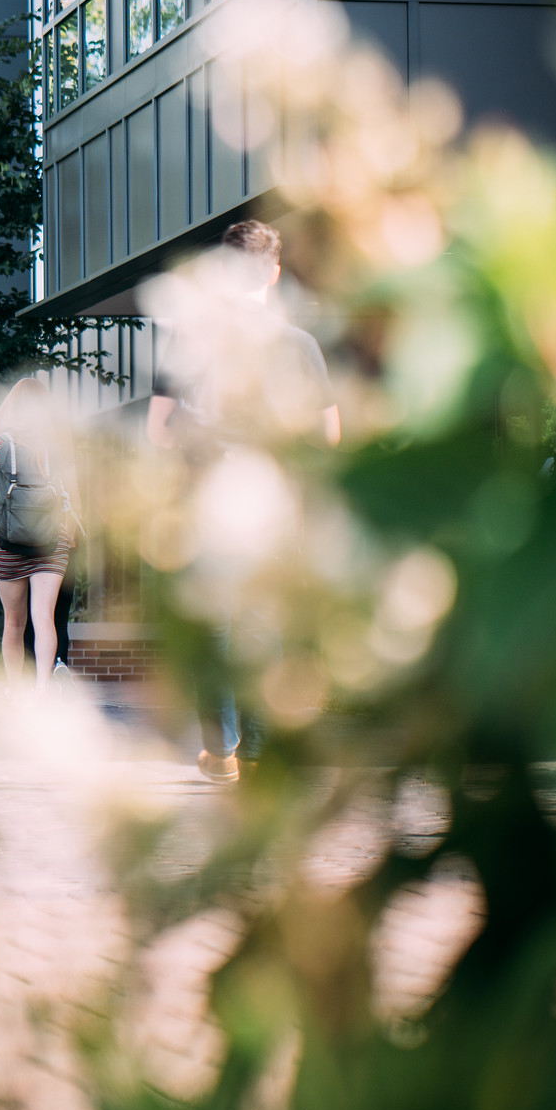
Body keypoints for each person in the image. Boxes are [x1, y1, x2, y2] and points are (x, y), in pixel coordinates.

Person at [146, 218, 339, 783]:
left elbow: (159, 430)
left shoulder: (189, 340)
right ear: (274, 273)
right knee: (263, 627)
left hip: (208, 504)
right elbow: (327, 436)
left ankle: (221, 750)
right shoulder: (300, 344)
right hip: (276, 509)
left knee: (214, 625)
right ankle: (256, 748)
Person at [0, 378, 79, 693]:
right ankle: (42, 688)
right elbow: (72, 498)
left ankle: (15, 690)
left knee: (13, 622)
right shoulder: (58, 445)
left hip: (8, 543)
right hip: (52, 540)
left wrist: (1, 521)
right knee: (43, 617)